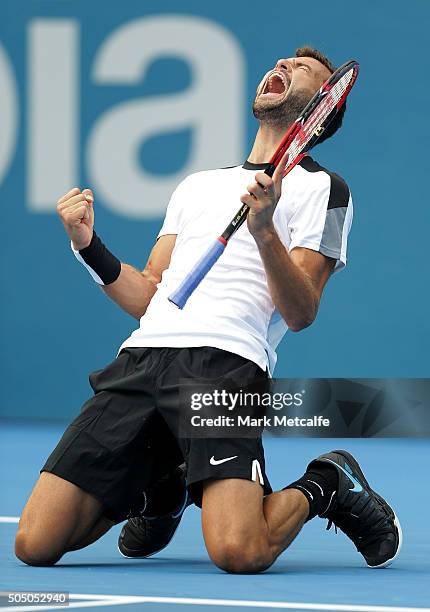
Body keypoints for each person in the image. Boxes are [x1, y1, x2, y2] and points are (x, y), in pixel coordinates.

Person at [15, 46, 401, 572]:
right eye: (282, 62)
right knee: (35, 545)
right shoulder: (196, 186)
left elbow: (301, 310)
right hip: (143, 360)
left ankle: (328, 482)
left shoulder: (324, 190)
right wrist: (89, 247)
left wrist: (264, 230)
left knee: (240, 552)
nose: (283, 67)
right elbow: (150, 294)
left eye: (304, 70)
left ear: (322, 108)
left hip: (226, 366)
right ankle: (163, 481)